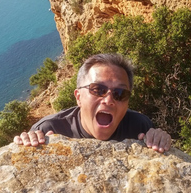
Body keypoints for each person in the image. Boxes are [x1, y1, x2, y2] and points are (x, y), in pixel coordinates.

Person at [14, 53, 172, 153]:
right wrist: (27, 145)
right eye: (97, 89)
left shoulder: (139, 126)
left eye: (120, 93)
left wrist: (159, 140)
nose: (109, 100)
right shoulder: (49, 130)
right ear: (78, 97)